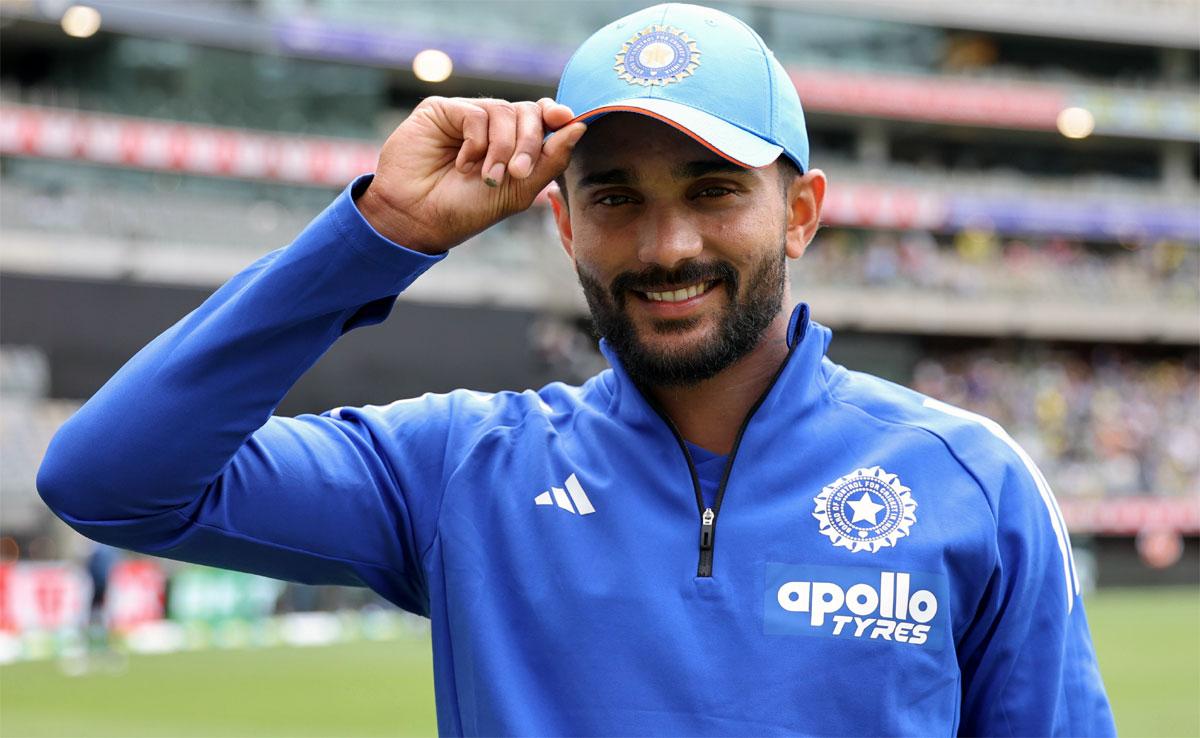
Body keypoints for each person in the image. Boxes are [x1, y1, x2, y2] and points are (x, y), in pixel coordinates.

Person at [37, 4, 1115, 735]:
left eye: (711, 190)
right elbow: (106, 480)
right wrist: (378, 235)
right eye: (615, 197)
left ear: (801, 213)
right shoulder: (462, 468)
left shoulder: (971, 477)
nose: (666, 246)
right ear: (560, 223)